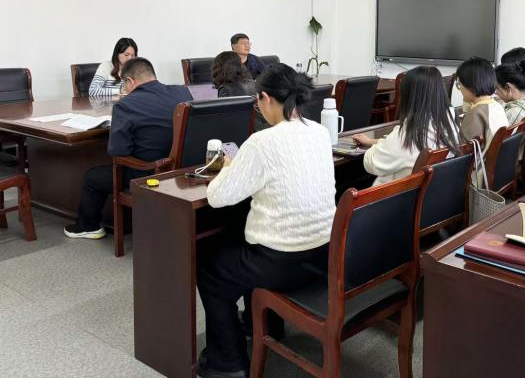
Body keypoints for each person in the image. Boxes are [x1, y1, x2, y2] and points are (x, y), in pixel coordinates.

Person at [197, 64, 336, 378]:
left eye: (256, 100)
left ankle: (227, 363)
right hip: (322, 255)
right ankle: (263, 325)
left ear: (265, 98)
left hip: (280, 264)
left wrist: (229, 167)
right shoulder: (319, 132)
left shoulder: (261, 142)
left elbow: (217, 196)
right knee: (243, 237)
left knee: (210, 270)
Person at [64, 58, 192, 239]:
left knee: (92, 177)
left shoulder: (126, 105)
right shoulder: (182, 92)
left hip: (148, 174)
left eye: (124, 85)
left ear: (130, 81)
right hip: (183, 170)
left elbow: (118, 151)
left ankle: (88, 226)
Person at [355, 66, 460, 186]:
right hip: (431, 193)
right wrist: (376, 141)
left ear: (410, 97)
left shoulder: (408, 135)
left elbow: (371, 162)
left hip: (394, 195)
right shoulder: (450, 125)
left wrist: (378, 145)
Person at [456, 57, 508, 150]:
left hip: (482, 159)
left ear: (471, 85)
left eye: (460, 84)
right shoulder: (497, 105)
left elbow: (462, 149)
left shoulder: (476, 113)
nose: (460, 89)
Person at [211, 51, 268, 132]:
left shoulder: (225, 89)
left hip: (244, 132)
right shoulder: (253, 83)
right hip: (261, 129)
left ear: (219, 68)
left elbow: (224, 120)